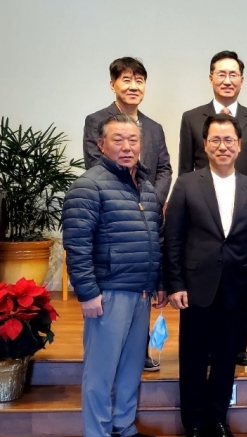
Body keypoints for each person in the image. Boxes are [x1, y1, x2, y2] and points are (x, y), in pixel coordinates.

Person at [62, 114, 167, 437]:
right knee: (101, 371)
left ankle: (124, 428)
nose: (127, 147)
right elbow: (76, 244)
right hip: (107, 293)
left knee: (130, 368)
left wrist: (159, 283)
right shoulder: (88, 185)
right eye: (118, 140)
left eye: (133, 140)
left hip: (141, 292)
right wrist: (87, 292)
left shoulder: (146, 188)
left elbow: (157, 240)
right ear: (101, 144)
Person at [165, 114, 247, 437]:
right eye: (215, 140)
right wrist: (175, 283)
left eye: (229, 140)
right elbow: (173, 238)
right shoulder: (186, 184)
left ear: (239, 146)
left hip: (237, 288)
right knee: (193, 359)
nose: (222, 146)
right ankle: (194, 427)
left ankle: (218, 421)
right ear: (205, 145)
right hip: (196, 286)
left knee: (227, 359)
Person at [83, 56, 171, 373]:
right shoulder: (97, 120)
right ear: (113, 84)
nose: (133, 86)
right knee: (116, 293)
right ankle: (110, 354)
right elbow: (95, 164)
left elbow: (165, 169)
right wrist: (130, 200)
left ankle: (139, 349)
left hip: (146, 216)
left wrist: (149, 200)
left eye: (139, 80)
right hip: (113, 217)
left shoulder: (155, 128)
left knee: (142, 283)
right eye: (126, 79)